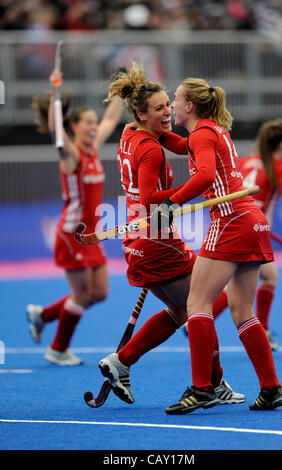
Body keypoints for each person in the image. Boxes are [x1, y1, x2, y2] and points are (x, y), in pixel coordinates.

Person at [98, 63, 245, 406]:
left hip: (140, 239)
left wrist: (209, 139)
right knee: (200, 306)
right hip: (157, 239)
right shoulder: (149, 149)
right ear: (140, 112)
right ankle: (212, 383)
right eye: (159, 108)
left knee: (183, 311)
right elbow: (150, 200)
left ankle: (122, 361)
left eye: (169, 105)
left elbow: (184, 146)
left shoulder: (133, 133)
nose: (167, 112)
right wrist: (180, 196)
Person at [152, 78, 282, 414]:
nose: (170, 104)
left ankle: (201, 389)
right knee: (242, 311)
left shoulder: (201, 134)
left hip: (230, 222)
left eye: (175, 99)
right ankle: (271, 388)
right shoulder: (210, 131)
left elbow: (206, 175)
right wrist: (147, 129)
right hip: (252, 221)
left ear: (190, 107)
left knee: (197, 303)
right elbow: (181, 146)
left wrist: (173, 201)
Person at [26, 68, 124, 365]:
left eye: (95, 122)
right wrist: (56, 94)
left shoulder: (93, 149)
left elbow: (110, 119)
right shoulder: (71, 155)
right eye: (88, 123)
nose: (94, 127)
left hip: (92, 234)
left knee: (100, 293)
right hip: (72, 234)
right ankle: (57, 349)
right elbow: (57, 134)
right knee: (82, 294)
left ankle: (43, 315)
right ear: (75, 127)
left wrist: (122, 90)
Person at [211, 118, 282, 350]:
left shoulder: (245, 161)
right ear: (281, 144)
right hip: (254, 230)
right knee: (254, 282)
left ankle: (200, 320)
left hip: (235, 223)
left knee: (249, 279)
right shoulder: (279, 167)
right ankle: (263, 329)